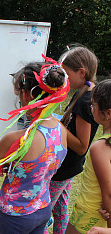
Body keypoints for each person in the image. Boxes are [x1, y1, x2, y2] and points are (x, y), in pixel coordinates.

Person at [0, 59, 69, 233]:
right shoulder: (61, 130)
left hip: (16, 214)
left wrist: (8, 165)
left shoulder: (16, 139)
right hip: (43, 206)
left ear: (26, 95)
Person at [46, 45, 99, 234]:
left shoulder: (85, 100)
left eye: (68, 74)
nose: (65, 79)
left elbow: (81, 146)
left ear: (81, 72)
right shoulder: (84, 94)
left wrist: (55, 123)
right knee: (60, 211)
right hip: (69, 166)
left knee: (44, 213)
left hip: (64, 168)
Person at [65, 79, 111, 234]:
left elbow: (108, 193)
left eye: (93, 105)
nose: (91, 108)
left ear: (108, 113)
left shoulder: (100, 147)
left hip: (90, 215)